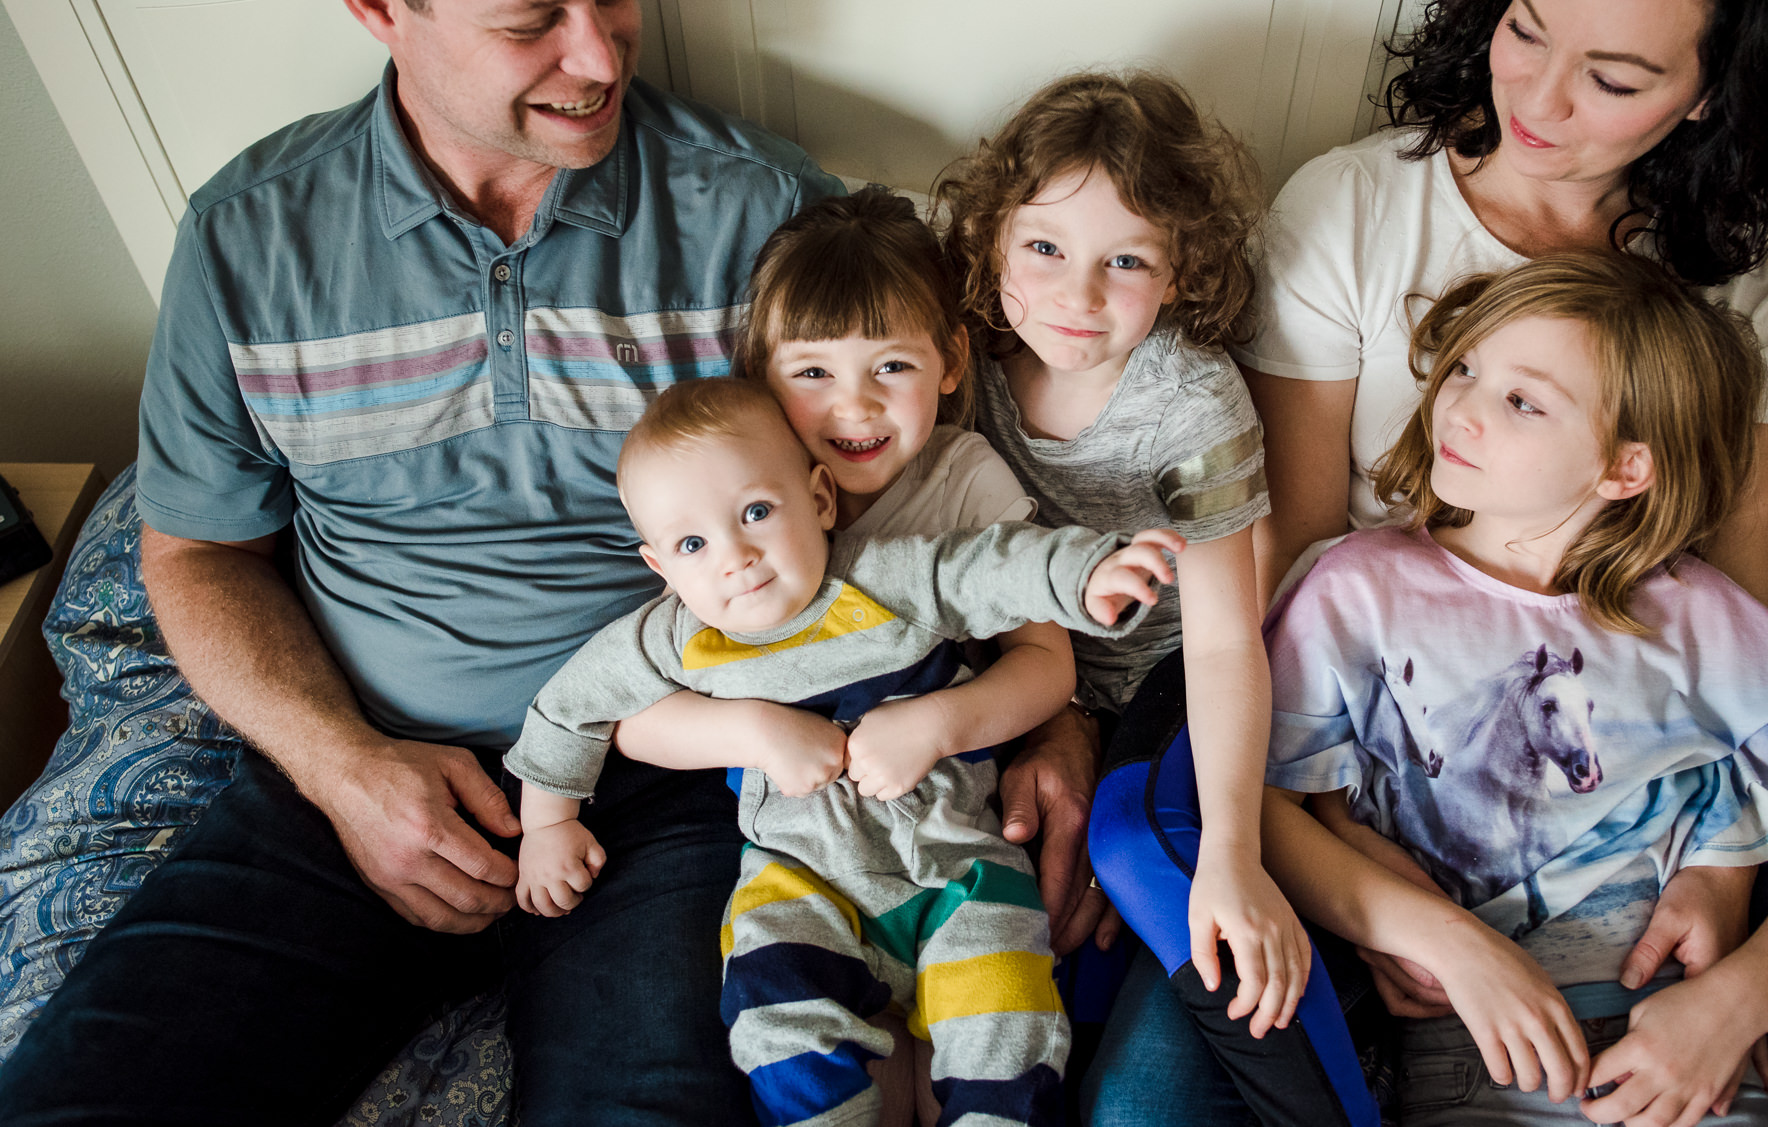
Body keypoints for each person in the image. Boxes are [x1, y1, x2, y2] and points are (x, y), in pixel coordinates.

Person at [1095, 0, 1768, 1126]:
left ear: (1709, 90)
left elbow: (1731, 575)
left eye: (1616, 76)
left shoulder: (1757, 269)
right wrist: (1363, 865)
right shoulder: (1354, 210)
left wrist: (1729, 883)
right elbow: (1288, 572)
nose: (1538, 98)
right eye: (1527, 27)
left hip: (1656, 737)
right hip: (1362, 734)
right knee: (1146, 1108)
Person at [0, 0, 859, 1122]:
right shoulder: (249, 239)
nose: (598, 55)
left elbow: (895, 500)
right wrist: (345, 770)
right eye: (532, 21)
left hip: (671, 767)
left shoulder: (756, 214)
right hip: (359, 763)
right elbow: (195, 545)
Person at [1257, 254, 1768, 1126]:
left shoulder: (1705, 621)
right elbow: (1265, 809)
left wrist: (1737, 1004)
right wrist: (1443, 941)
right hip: (1473, 1051)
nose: (1460, 406)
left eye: (1522, 401)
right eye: (1464, 368)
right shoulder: (1352, 589)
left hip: (1689, 1055)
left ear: (1626, 468)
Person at [504, 375, 1182, 1126]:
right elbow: (568, 707)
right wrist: (548, 824)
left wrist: (1085, 574)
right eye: (693, 543)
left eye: (757, 511)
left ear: (820, 500)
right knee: (774, 1005)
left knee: (1005, 1016)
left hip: (956, 860)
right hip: (803, 874)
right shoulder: (677, 638)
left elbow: (991, 567)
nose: (735, 556)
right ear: (660, 567)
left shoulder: (881, 577)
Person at [613, 184, 1075, 1123]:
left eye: (891, 365)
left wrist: (939, 719)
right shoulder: (733, 499)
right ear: (761, 376)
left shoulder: (960, 483)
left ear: (949, 364)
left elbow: (1046, 660)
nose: (854, 404)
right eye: (813, 372)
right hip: (800, 853)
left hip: (948, 837)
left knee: (1005, 1005)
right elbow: (636, 712)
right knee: (775, 1006)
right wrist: (750, 728)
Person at [937, 72, 1311, 1051]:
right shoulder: (957, 366)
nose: (1077, 295)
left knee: (1130, 851)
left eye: (1126, 261)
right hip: (1024, 670)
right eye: (1045, 247)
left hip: (1164, 680)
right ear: (991, 241)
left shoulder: (1191, 403)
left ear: (1180, 272)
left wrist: (1235, 854)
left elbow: (1227, 642)